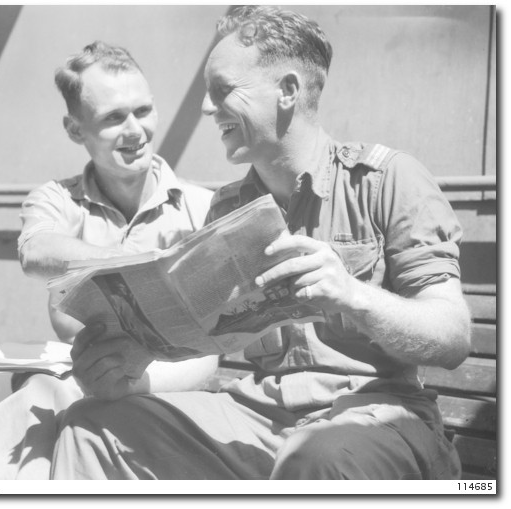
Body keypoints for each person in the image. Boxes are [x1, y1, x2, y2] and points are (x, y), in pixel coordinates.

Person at [50, 6, 471, 480]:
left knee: (314, 457)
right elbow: (203, 336)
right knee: (90, 426)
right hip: (257, 415)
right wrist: (131, 361)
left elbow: (453, 337)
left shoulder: (388, 179)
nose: (207, 108)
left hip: (376, 417)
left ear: (287, 90)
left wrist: (355, 296)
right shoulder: (227, 209)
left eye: (223, 90)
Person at [0, 41, 216, 479]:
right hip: (77, 376)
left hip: (170, 387)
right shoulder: (58, 200)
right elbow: (36, 251)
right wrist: (137, 260)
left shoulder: (201, 207)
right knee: (10, 423)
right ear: (74, 129)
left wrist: (133, 380)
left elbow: (210, 350)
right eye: (113, 118)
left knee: (91, 428)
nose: (135, 130)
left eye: (143, 110)